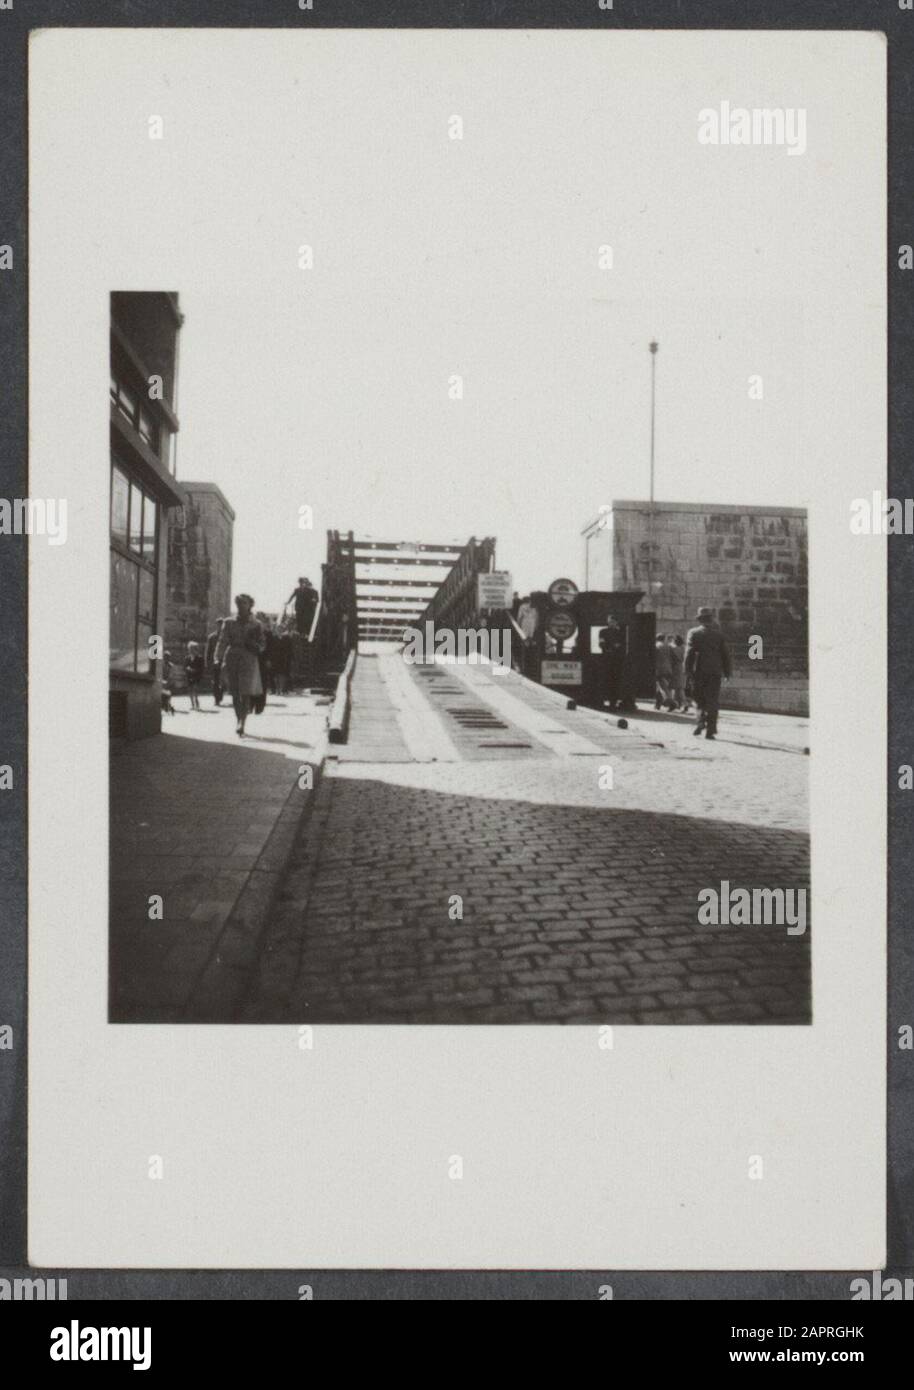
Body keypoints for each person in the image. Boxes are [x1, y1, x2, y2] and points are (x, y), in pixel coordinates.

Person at [214, 593, 266, 737]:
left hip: (249, 658)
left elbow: (263, 644)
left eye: (244, 603)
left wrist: (256, 646)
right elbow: (222, 641)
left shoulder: (257, 624)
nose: (241, 606)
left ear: (250, 605)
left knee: (246, 692)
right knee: (235, 692)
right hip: (232, 657)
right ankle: (239, 719)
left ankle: (242, 722)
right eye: (238, 603)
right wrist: (218, 659)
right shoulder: (229, 622)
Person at [685, 605, 732, 740]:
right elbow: (725, 655)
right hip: (715, 672)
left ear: (699, 620)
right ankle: (711, 730)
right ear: (711, 619)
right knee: (712, 700)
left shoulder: (694, 633)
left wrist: (687, 671)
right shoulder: (719, 634)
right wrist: (727, 672)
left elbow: (689, 653)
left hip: (698, 671)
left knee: (698, 699)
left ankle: (701, 721)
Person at [597, 616, 626, 710]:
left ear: (616, 622)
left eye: (613, 621)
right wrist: (611, 647)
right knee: (604, 679)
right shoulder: (603, 631)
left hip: (617, 660)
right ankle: (601, 700)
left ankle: (613, 703)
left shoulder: (620, 633)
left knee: (615, 681)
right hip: (606, 659)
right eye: (610, 621)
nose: (611, 623)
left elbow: (622, 644)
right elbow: (601, 643)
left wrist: (612, 647)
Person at [267, 622, 292, 694]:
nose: (279, 630)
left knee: (282, 674)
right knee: (274, 674)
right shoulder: (273, 638)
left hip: (282, 658)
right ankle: (276, 689)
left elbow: (289, 649)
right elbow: (270, 648)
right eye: (278, 629)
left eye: (281, 629)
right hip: (274, 658)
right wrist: (269, 659)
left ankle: (281, 689)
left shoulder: (286, 638)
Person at [654, 634, 676, 710]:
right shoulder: (669, 646)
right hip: (668, 668)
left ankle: (671, 702)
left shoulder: (656, 646)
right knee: (665, 686)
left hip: (659, 668)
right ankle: (658, 704)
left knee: (661, 686)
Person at [205, 621, 224, 706]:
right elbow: (208, 651)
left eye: (222, 625)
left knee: (223, 680)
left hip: (224, 661)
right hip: (215, 662)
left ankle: (220, 694)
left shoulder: (226, 637)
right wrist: (207, 662)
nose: (220, 627)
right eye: (219, 625)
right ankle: (217, 698)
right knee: (215, 681)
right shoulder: (212, 637)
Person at [669, 633, 688, 711]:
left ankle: (684, 703)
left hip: (676, 668)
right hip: (683, 668)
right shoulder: (684, 648)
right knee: (679, 687)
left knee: (678, 688)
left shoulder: (674, 649)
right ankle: (678, 705)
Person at [184, 641, 204, 711]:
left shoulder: (200, 658)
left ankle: (197, 703)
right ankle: (192, 704)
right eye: (190, 649)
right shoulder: (187, 658)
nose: (191, 651)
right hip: (189, 676)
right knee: (190, 690)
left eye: (193, 649)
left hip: (196, 676)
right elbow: (185, 666)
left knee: (195, 690)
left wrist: (195, 670)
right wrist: (187, 669)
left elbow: (201, 668)